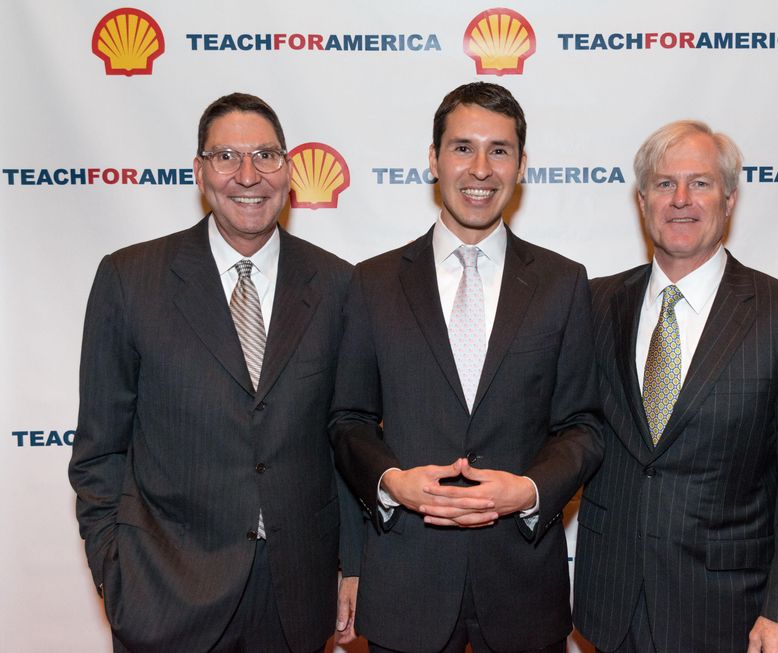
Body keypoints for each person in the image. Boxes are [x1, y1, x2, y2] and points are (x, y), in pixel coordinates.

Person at [68, 93, 362, 653]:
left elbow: (345, 439)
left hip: (295, 596)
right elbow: (99, 450)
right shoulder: (130, 280)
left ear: (290, 169)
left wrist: (353, 564)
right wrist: (114, 568)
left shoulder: (338, 286)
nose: (248, 175)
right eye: (226, 157)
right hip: (164, 591)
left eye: (266, 156)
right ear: (200, 172)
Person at [328, 82, 603, 653]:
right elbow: (348, 419)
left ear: (522, 165)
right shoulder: (372, 283)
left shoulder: (563, 283)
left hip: (523, 585)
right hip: (407, 582)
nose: (480, 168)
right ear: (433, 159)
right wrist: (391, 483)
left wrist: (529, 490)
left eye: (499, 150)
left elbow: (583, 424)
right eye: (462, 148)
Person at [573, 120, 778, 653]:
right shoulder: (592, 305)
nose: (680, 199)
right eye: (664, 183)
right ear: (642, 199)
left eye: (699, 183)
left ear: (729, 198)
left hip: (728, 611)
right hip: (610, 602)